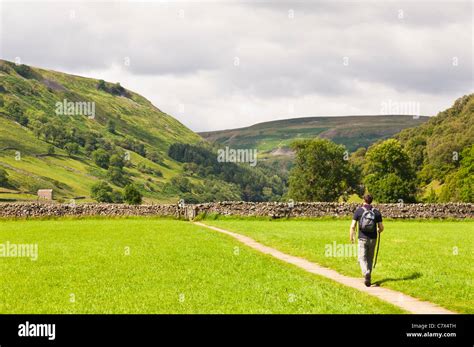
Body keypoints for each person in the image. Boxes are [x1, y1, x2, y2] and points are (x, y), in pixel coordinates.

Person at [349, 194, 384, 287]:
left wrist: (351, 236)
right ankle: (368, 277)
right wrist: (378, 230)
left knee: (361, 258)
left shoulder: (359, 211)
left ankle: (366, 273)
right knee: (369, 258)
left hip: (362, 238)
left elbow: (352, 226)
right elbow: (381, 227)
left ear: (363, 200)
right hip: (373, 238)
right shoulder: (376, 212)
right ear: (371, 201)